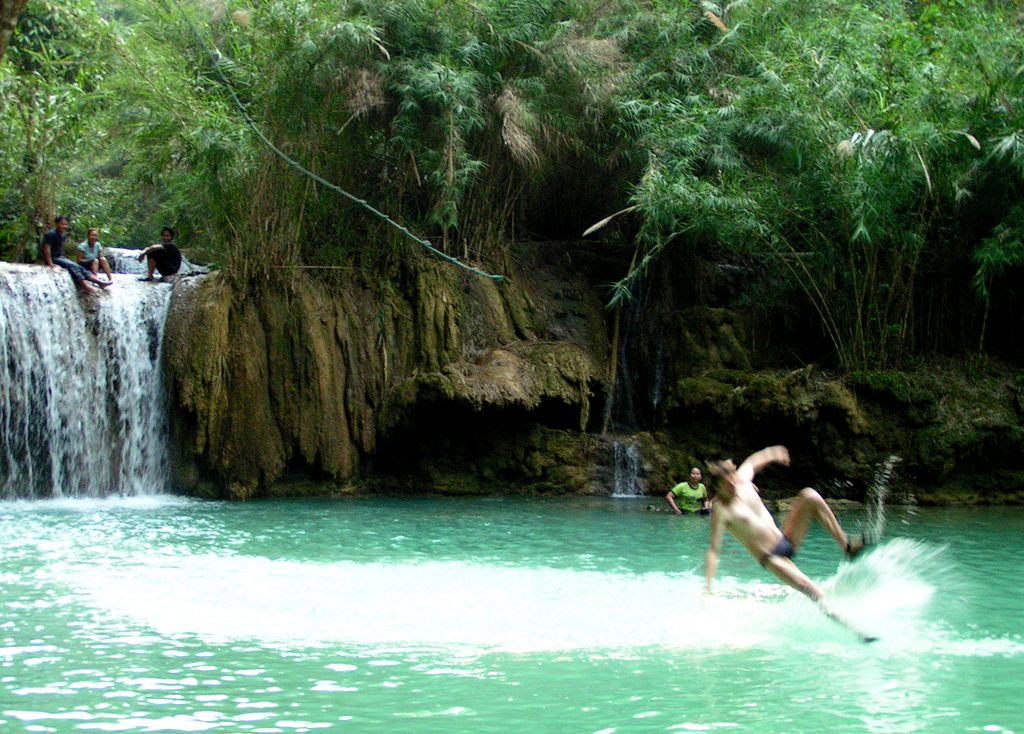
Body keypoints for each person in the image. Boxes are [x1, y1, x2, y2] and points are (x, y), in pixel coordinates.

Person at [704, 445, 870, 603]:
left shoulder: (742, 482)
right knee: (813, 590)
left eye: (732, 479)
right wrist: (709, 588)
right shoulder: (721, 510)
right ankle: (860, 630)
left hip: (785, 539)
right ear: (717, 488)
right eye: (727, 484)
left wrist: (775, 452)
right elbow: (713, 550)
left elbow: (754, 461)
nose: (733, 485)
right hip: (771, 557)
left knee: (810, 496)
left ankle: (847, 546)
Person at [40, 215, 112, 295]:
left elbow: (59, 248)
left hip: (60, 257)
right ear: (56, 224)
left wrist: (65, 258)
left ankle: (98, 282)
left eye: (66, 224)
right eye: (62, 224)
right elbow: (46, 248)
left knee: (78, 267)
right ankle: (85, 285)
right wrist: (50, 263)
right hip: (54, 258)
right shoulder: (51, 234)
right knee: (73, 266)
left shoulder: (62, 235)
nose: (64, 226)